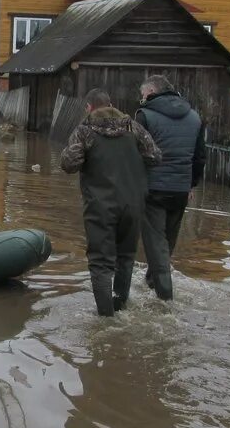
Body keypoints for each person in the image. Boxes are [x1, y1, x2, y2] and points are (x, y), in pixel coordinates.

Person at [59, 89, 161, 317]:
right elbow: (155, 156)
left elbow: (68, 164)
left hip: (100, 207)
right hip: (133, 204)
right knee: (125, 257)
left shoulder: (84, 131)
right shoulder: (134, 128)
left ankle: (106, 318)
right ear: (112, 105)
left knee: (100, 263)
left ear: (89, 108)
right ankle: (120, 306)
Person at [135, 75, 206, 301]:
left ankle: (165, 298)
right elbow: (200, 157)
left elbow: (134, 153)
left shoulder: (144, 115)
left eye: (143, 95)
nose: (141, 99)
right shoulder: (194, 117)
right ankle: (151, 281)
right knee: (167, 241)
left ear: (152, 93)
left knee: (155, 243)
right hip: (180, 190)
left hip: (152, 189)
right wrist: (191, 184)